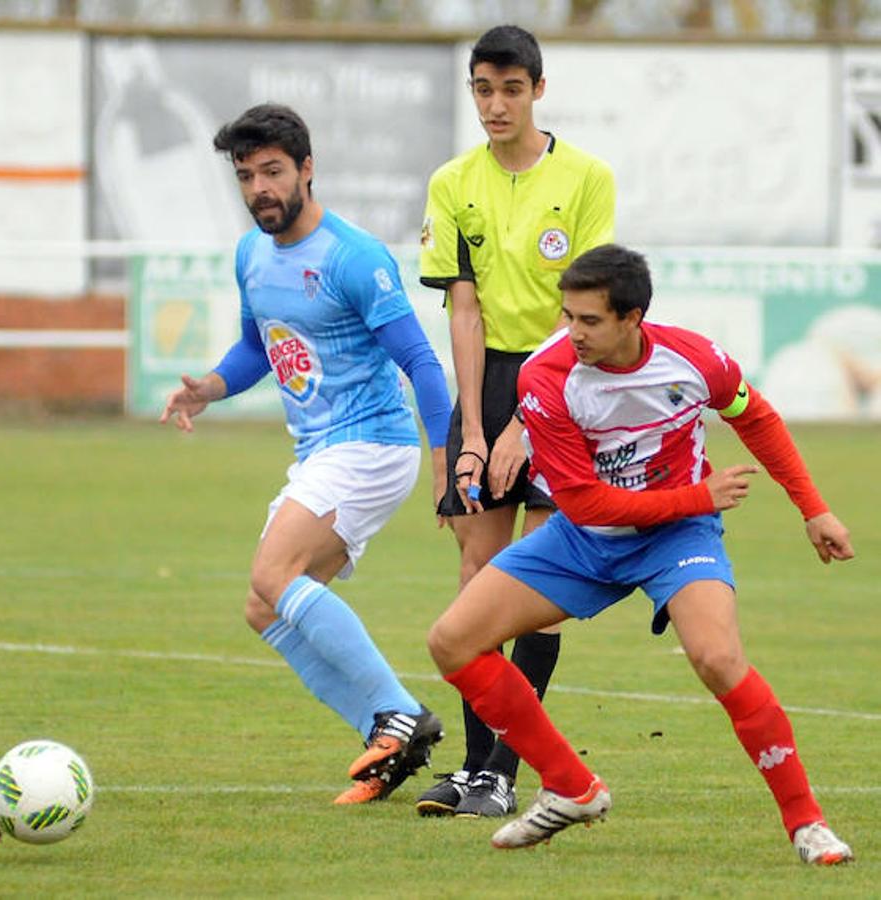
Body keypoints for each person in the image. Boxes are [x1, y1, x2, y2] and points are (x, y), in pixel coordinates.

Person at [425, 244, 855, 865]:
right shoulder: (545, 377)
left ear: (633, 318)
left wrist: (813, 508)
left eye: (590, 320)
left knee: (716, 656)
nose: (573, 333)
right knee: (452, 641)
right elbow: (587, 504)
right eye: (568, 316)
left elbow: (755, 416)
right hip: (586, 534)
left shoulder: (693, 359)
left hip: (677, 538)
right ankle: (572, 786)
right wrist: (696, 495)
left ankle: (808, 825)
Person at [160, 104, 454, 805]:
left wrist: (446, 463)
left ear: (306, 169)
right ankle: (386, 739)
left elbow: (422, 363)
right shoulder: (249, 255)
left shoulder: (353, 258)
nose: (259, 188)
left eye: (272, 171)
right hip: (320, 451)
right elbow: (259, 347)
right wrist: (209, 387)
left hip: (373, 444)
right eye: (246, 176)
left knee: (273, 572)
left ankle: (397, 711)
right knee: (265, 608)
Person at [414, 24, 616, 819]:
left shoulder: (586, 177)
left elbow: (583, 313)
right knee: (474, 576)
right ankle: (473, 768)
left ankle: (503, 768)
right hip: (489, 377)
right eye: (481, 89)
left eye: (509, 89)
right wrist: (472, 429)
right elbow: (462, 309)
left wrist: (528, 420)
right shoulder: (451, 181)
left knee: (535, 579)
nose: (494, 104)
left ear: (537, 89)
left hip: (565, 378)